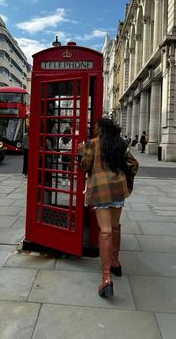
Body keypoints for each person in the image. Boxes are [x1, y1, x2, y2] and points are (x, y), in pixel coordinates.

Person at [79, 118, 138, 298]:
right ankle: (115, 263)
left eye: (96, 127)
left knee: (105, 231)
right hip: (118, 190)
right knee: (115, 227)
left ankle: (106, 279)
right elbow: (134, 165)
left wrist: (82, 152)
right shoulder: (121, 144)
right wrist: (123, 177)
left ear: (100, 129)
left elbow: (84, 167)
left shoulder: (93, 144)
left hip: (101, 190)